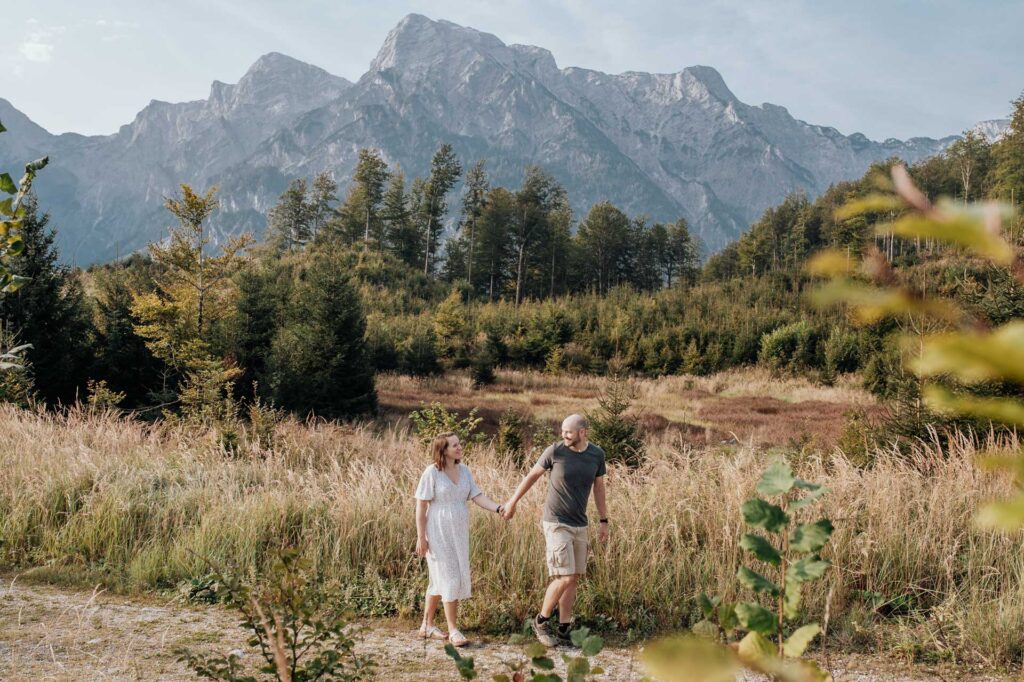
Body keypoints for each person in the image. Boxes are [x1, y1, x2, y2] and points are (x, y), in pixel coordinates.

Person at [502, 414, 608, 647]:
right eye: (562, 431)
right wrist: (512, 502)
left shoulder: (596, 455)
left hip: (580, 524)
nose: (563, 435)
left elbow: (599, 488)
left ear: (582, 432)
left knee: (574, 579)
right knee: (565, 576)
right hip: (556, 521)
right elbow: (531, 476)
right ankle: (540, 621)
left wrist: (603, 521)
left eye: (568, 432)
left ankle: (564, 629)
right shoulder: (555, 451)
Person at [415, 431, 505, 646]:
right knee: (450, 578)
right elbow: (421, 506)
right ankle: (454, 630)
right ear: (443, 450)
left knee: (439, 579)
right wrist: (421, 537)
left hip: (459, 531)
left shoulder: (464, 471)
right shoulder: (432, 473)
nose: (459, 447)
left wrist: (499, 508)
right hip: (437, 530)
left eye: (459, 444)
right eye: (454, 445)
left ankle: (426, 626)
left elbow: (477, 496)